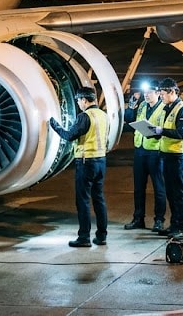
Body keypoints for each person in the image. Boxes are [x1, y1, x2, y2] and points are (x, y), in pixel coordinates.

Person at [49, 86, 110, 247]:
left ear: (84, 100)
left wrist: (55, 125)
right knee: (99, 199)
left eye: (78, 100)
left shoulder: (85, 116)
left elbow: (69, 136)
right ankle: (102, 235)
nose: (78, 103)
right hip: (101, 161)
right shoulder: (103, 115)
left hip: (86, 161)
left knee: (83, 200)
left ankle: (84, 237)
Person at [145, 77, 183, 240]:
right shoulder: (168, 108)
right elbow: (166, 131)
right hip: (167, 155)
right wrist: (155, 133)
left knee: (179, 193)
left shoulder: (182, 109)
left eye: (163, 93)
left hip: (178, 157)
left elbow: (182, 133)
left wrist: (161, 131)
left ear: (172, 92)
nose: (161, 96)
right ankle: (174, 225)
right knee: (171, 193)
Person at [122, 80, 167, 233]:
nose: (146, 95)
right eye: (145, 92)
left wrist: (154, 132)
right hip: (140, 150)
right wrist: (132, 102)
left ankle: (159, 220)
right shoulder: (141, 105)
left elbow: (166, 130)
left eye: (150, 92)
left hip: (156, 152)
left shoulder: (163, 108)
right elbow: (128, 118)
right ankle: (138, 218)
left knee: (158, 188)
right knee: (138, 187)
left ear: (158, 93)